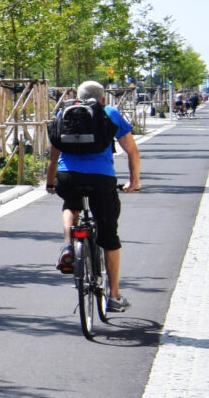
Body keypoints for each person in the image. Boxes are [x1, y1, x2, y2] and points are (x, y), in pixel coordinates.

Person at [47, 80, 142, 314]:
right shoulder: (110, 113)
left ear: (77, 96)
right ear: (102, 99)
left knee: (71, 204)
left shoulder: (64, 112)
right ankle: (114, 295)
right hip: (102, 179)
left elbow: (53, 155)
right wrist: (134, 181)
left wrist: (50, 183)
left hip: (68, 176)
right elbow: (132, 150)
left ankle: (69, 246)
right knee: (109, 235)